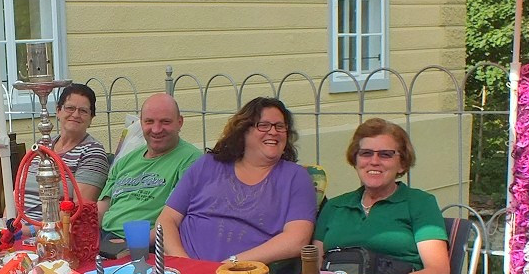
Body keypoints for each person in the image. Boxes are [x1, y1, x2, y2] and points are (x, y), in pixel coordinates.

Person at [158, 97, 315, 263]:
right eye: (263, 125)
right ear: (243, 130)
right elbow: (167, 220)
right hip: (184, 272)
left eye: (280, 126)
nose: (274, 132)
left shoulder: (296, 177)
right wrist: (184, 262)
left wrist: (232, 264)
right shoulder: (207, 164)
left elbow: (297, 240)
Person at [314, 118, 449, 274]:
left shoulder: (420, 203)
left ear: (402, 163)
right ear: (355, 160)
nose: (374, 161)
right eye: (366, 153)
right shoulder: (334, 206)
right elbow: (312, 270)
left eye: (385, 154)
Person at [98, 93, 200, 240]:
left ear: (180, 122)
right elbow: (101, 209)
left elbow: (173, 222)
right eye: (149, 121)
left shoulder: (191, 161)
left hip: (147, 246)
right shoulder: (126, 160)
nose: (156, 129)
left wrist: (133, 243)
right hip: (105, 240)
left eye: (165, 122)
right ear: (141, 123)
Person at [19, 83, 109, 221]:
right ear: (58, 111)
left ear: (91, 118)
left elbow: (78, 211)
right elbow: (16, 193)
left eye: (83, 111)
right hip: (18, 227)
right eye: (70, 108)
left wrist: (30, 230)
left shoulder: (92, 152)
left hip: (50, 233)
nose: (76, 114)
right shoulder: (42, 144)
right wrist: (9, 224)